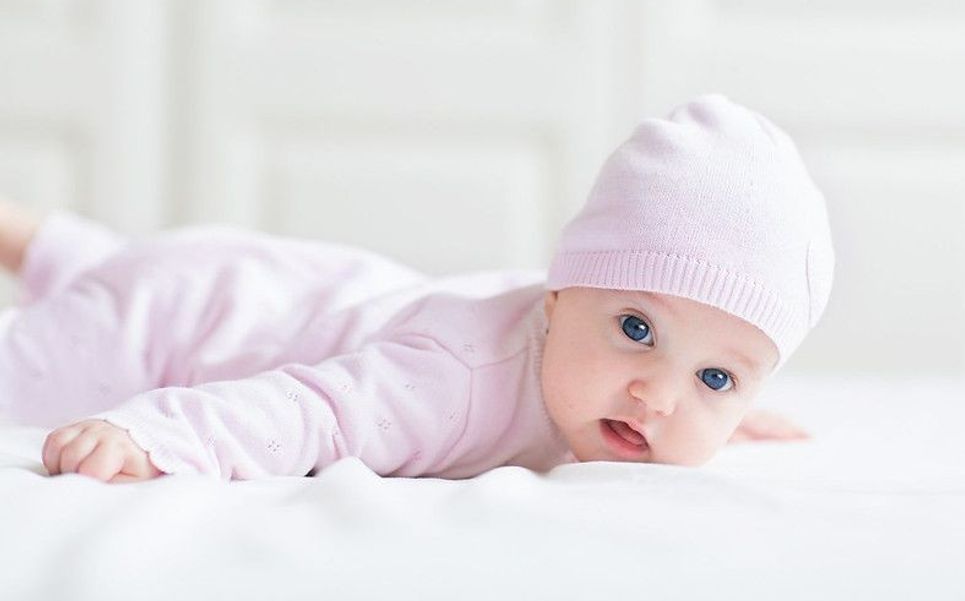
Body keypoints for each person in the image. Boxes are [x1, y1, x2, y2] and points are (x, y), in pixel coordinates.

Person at [0, 94, 833, 483]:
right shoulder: (455, 380)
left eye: (716, 376)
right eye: (637, 330)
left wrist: (716, 411)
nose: (656, 397)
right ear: (556, 294)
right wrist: (154, 435)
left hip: (261, 278)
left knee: (104, 265)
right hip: (182, 323)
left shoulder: (606, 363)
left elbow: (673, 372)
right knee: (58, 342)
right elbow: (310, 413)